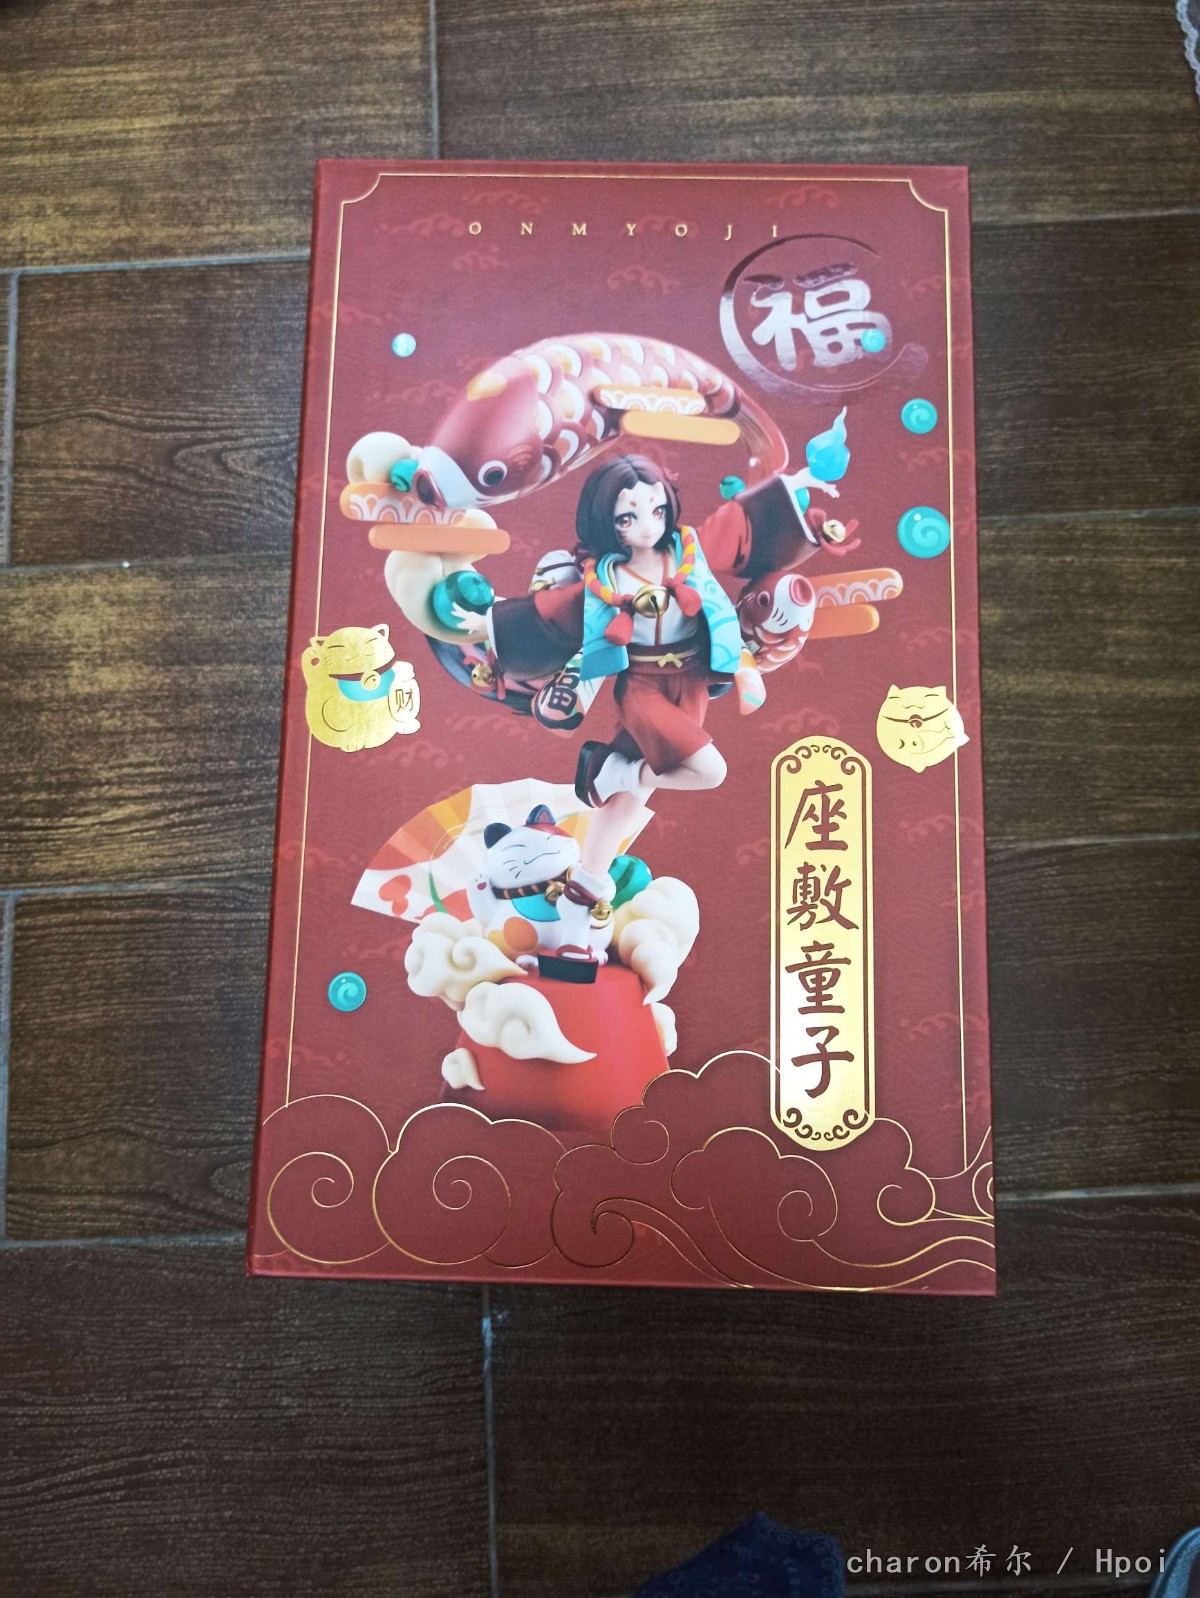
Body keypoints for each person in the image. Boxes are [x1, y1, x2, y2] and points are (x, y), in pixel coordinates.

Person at [472, 453, 839, 883]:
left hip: (692, 681)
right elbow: (566, 623)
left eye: (657, 510)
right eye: (628, 518)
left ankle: (587, 882)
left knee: (632, 796)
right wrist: (497, 632)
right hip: (643, 686)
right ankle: (611, 772)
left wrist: (743, 667)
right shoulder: (604, 578)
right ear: (606, 521)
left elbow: (721, 598)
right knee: (708, 771)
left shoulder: (686, 551)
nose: (647, 526)